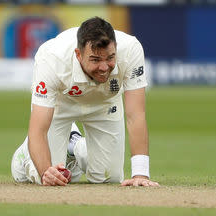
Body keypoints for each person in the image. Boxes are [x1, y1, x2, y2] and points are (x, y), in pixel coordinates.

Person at [11, 16, 159, 187]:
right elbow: (38, 129)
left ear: (116, 48)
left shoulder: (131, 50)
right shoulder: (51, 59)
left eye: (110, 58)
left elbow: (136, 115)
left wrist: (141, 174)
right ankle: (23, 157)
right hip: (61, 103)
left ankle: (74, 146)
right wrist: (45, 171)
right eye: (95, 60)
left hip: (106, 103)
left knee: (108, 178)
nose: (104, 67)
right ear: (78, 55)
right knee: (48, 178)